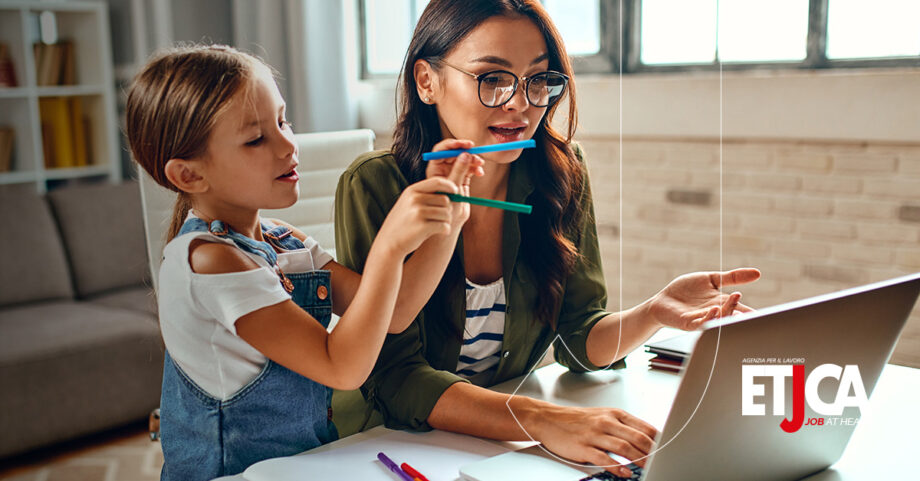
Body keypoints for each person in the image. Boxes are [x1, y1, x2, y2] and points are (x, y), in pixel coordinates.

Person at [333, 0, 760, 477]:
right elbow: (392, 376)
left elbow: (577, 337)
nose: (520, 103)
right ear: (427, 81)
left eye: (538, 79)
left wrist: (652, 314)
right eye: (492, 78)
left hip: (499, 450)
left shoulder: (560, 172)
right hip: (387, 449)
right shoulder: (375, 185)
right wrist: (540, 420)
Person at [125, 44, 483, 480]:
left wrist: (450, 218)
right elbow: (343, 366)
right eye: (256, 138)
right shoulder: (210, 263)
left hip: (301, 467)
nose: (287, 145)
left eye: (283, 120)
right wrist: (390, 245)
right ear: (189, 175)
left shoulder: (280, 239)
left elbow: (398, 310)